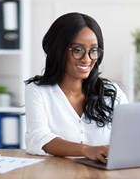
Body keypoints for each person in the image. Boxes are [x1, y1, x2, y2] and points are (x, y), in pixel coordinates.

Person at [25, 12, 128, 163]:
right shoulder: (38, 91)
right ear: (58, 51)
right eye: (77, 50)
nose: (87, 59)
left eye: (93, 50)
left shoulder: (112, 93)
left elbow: (129, 138)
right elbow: (38, 138)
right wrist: (87, 150)